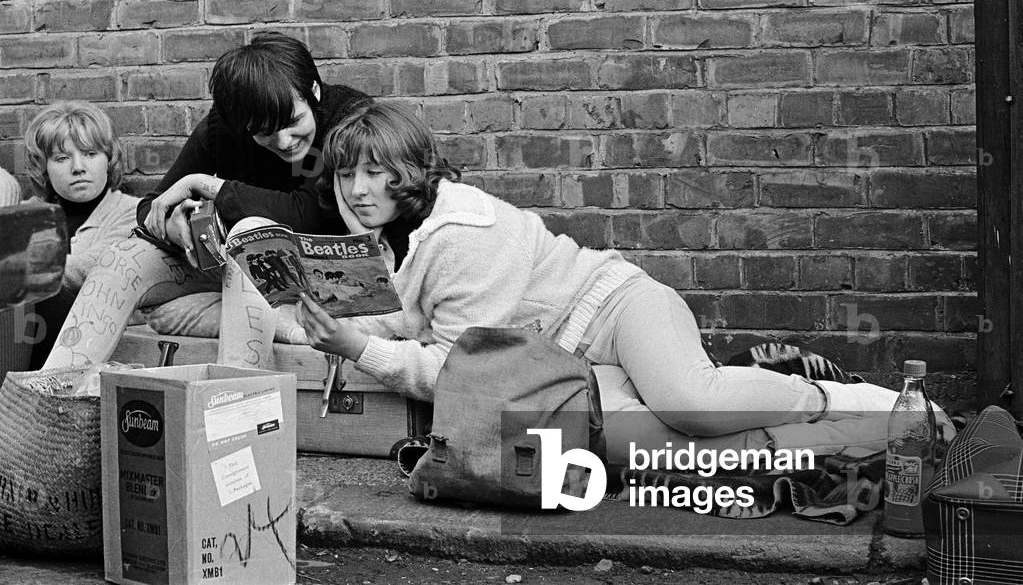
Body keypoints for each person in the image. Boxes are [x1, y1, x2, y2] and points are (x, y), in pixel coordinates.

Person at [296, 102, 950, 458]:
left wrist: (356, 350)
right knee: (654, 450)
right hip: (569, 359)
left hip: (616, 307)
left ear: (411, 170)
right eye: (345, 174)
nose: (356, 189)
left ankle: (855, 401)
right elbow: (411, 321)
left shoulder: (463, 230)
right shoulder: (389, 242)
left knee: (691, 405)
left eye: (375, 172)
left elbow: (461, 370)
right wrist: (331, 323)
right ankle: (845, 436)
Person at [40, 33, 367, 371]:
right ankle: (54, 395)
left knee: (252, 234)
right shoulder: (226, 125)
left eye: (294, 122)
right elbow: (153, 206)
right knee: (125, 258)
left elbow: (308, 213)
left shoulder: (348, 120)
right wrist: (173, 223)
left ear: (313, 91)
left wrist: (202, 184)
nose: (283, 141)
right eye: (264, 132)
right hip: (233, 272)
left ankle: (237, 406)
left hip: (331, 272)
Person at [22, 101, 140, 368]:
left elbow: (94, 270)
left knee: (45, 294)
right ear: (44, 168)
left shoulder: (131, 213)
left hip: (93, 336)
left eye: (90, 153)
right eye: (62, 158)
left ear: (109, 159)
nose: (78, 167)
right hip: (29, 338)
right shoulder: (26, 215)